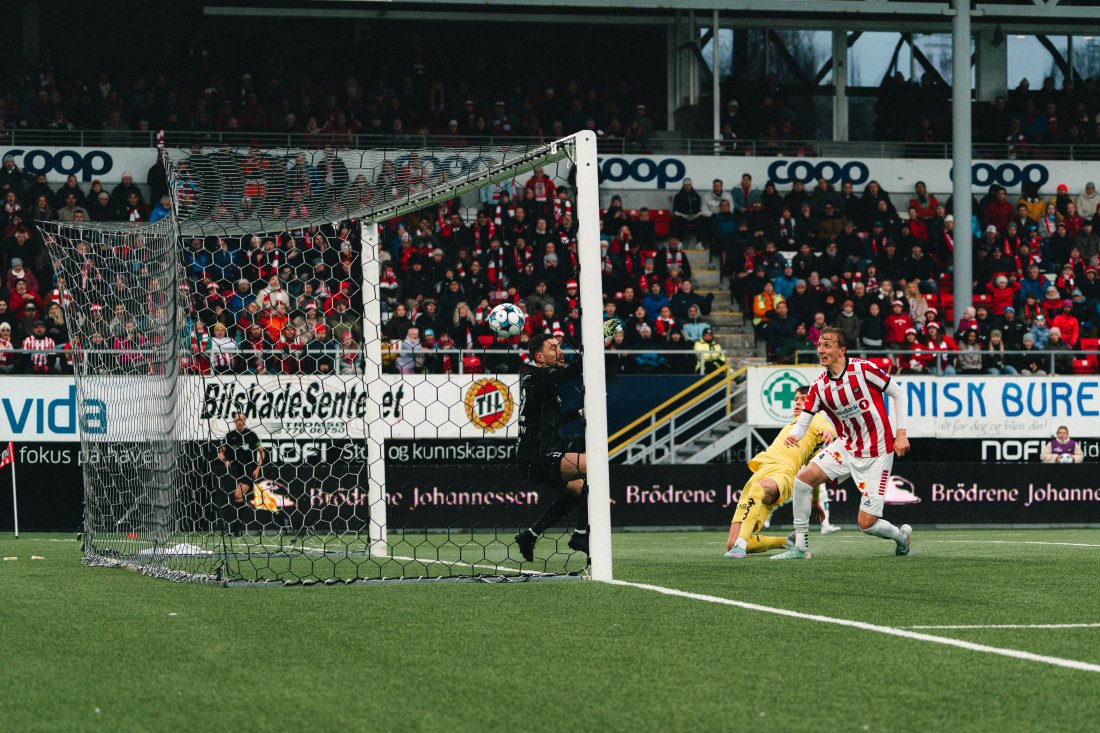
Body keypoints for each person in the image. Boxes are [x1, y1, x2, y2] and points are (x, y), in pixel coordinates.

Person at [773, 326, 912, 560]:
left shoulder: (863, 369)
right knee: (803, 480)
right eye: (819, 345)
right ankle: (800, 547)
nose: (821, 350)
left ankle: (901, 536)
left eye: (827, 345)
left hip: (877, 453)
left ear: (842, 350)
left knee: (867, 524)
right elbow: (804, 420)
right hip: (846, 447)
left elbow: (898, 394)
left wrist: (901, 434)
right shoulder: (818, 386)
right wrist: (795, 435)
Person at [514, 321, 622, 562]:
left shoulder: (537, 380)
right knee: (595, 465)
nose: (560, 351)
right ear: (539, 357)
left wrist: (581, 412)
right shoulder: (541, 376)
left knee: (580, 490)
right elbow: (570, 373)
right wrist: (598, 343)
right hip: (537, 456)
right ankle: (581, 536)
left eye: (559, 346)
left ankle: (529, 536)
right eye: (553, 348)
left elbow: (555, 420)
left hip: (536, 455)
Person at [724, 386, 838, 559]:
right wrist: (815, 502)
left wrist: (828, 432)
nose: (798, 402)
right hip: (761, 471)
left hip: (782, 473)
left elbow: (826, 427)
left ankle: (740, 546)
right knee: (730, 544)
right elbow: (812, 474)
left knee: (758, 488)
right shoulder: (795, 426)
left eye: (804, 399)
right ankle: (785, 541)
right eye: (796, 399)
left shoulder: (814, 418)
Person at [218, 412, 267, 511]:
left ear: (244, 420)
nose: (239, 422)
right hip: (235, 471)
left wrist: (258, 468)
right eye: (237, 420)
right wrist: (225, 460)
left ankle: (237, 521)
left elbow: (262, 452)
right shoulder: (230, 436)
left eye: (241, 419)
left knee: (238, 494)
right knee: (247, 497)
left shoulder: (251, 435)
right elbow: (220, 452)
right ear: (234, 421)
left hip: (249, 470)